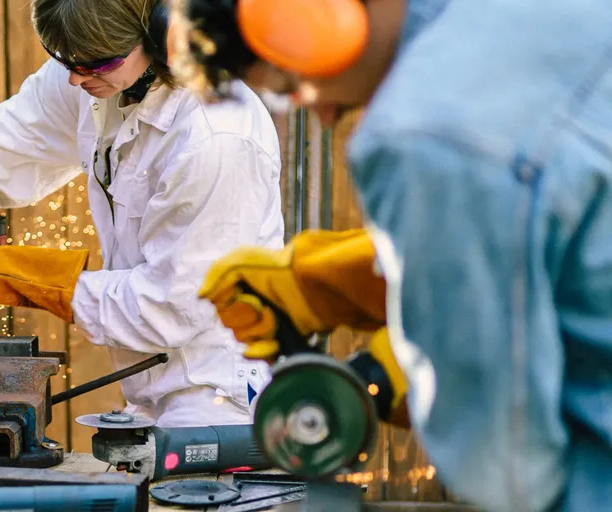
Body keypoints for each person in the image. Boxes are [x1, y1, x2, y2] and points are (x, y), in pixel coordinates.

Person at [171, 0, 612, 510]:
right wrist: (347, 280)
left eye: (293, 86)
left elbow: (505, 469)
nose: (323, 114)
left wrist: (432, 359)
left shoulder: (421, 132)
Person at [0, 0, 286, 428]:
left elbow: (168, 307)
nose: (75, 77)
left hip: (220, 394)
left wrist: (11, 273)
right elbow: (8, 144)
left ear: (161, 36)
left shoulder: (215, 138)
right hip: (152, 385)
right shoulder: (95, 71)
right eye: (66, 61)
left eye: (95, 64)